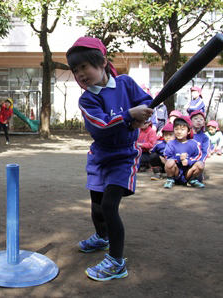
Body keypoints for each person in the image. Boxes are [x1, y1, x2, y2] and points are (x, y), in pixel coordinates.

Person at [66, 37, 154, 281]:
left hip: (124, 156)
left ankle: (116, 261)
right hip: (100, 156)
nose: (80, 74)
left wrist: (144, 117)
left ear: (102, 62)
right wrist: (128, 116)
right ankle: (102, 238)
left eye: (85, 66)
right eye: (76, 70)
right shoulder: (87, 99)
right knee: (96, 207)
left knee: (109, 205)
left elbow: (146, 102)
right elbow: (100, 126)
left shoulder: (125, 83)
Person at [163, 116, 205, 189]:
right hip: (176, 171)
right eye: (176, 129)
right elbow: (167, 156)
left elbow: (199, 156)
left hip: (188, 172)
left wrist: (188, 161)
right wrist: (179, 159)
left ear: (188, 131)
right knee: (169, 162)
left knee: (200, 165)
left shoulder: (194, 143)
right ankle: (170, 179)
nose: (179, 132)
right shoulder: (171, 143)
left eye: (182, 129)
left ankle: (192, 180)